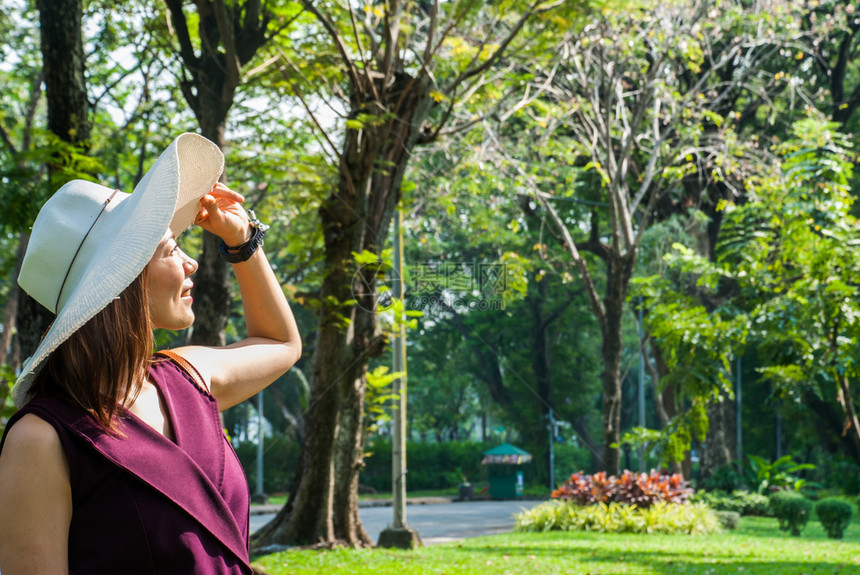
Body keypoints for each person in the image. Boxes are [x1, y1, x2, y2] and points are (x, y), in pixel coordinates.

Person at [0, 133, 301, 575]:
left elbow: (281, 344)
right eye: (171, 248)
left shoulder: (187, 377)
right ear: (125, 278)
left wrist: (244, 241)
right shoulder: (42, 440)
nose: (191, 262)